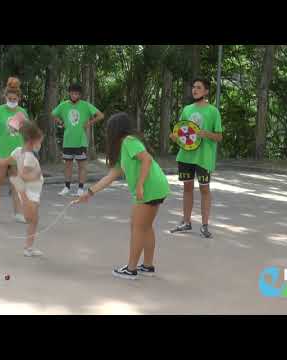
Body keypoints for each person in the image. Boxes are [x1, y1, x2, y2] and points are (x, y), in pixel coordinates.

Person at [75, 112, 170, 280]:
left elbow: (147, 159)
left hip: (149, 188)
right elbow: (110, 176)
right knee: (144, 226)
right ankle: (147, 266)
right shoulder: (124, 149)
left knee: (138, 227)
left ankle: (131, 269)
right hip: (155, 186)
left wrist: (140, 184)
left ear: (115, 130)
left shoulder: (129, 141)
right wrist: (89, 193)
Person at [169, 77, 223, 238]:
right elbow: (181, 132)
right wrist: (174, 137)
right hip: (186, 156)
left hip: (204, 157)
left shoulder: (213, 111)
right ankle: (186, 222)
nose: (195, 90)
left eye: (199, 87)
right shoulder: (186, 109)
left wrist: (205, 133)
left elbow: (219, 137)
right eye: (193, 87)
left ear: (206, 91)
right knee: (187, 188)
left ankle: (205, 226)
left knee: (204, 190)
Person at [0, 120, 45, 257]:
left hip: (29, 192)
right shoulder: (29, 157)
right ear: (32, 141)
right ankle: (28, 248)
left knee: (32, 220)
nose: (40, 145)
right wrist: (37, 174)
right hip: (31, 193)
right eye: (39, 142)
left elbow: (2, 162)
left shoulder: (17, 151)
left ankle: (28, 247)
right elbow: (23, 175)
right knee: (33, 221)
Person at [52, 83, 104, 197]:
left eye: (77, 93)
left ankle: (80, 188)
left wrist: (89, 123)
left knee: (82, 166)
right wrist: (61, 122)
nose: (74, 95)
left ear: (80, 94)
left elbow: (100, 115)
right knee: (68, 165)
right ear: (69, 93)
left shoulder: (85, 105)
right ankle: (66, 187)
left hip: (81, 141)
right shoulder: (63, 105)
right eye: (72, 93)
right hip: (68, 141)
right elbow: (53, 114)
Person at [0, 77, 29, 224]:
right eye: (10, 98)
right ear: (5, 97)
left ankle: (18, 213)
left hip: (17, 153)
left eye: (15, 98)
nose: (12, 100)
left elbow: (25, 132)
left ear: (19, 98)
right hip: (1, 153)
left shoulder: (22, 112)